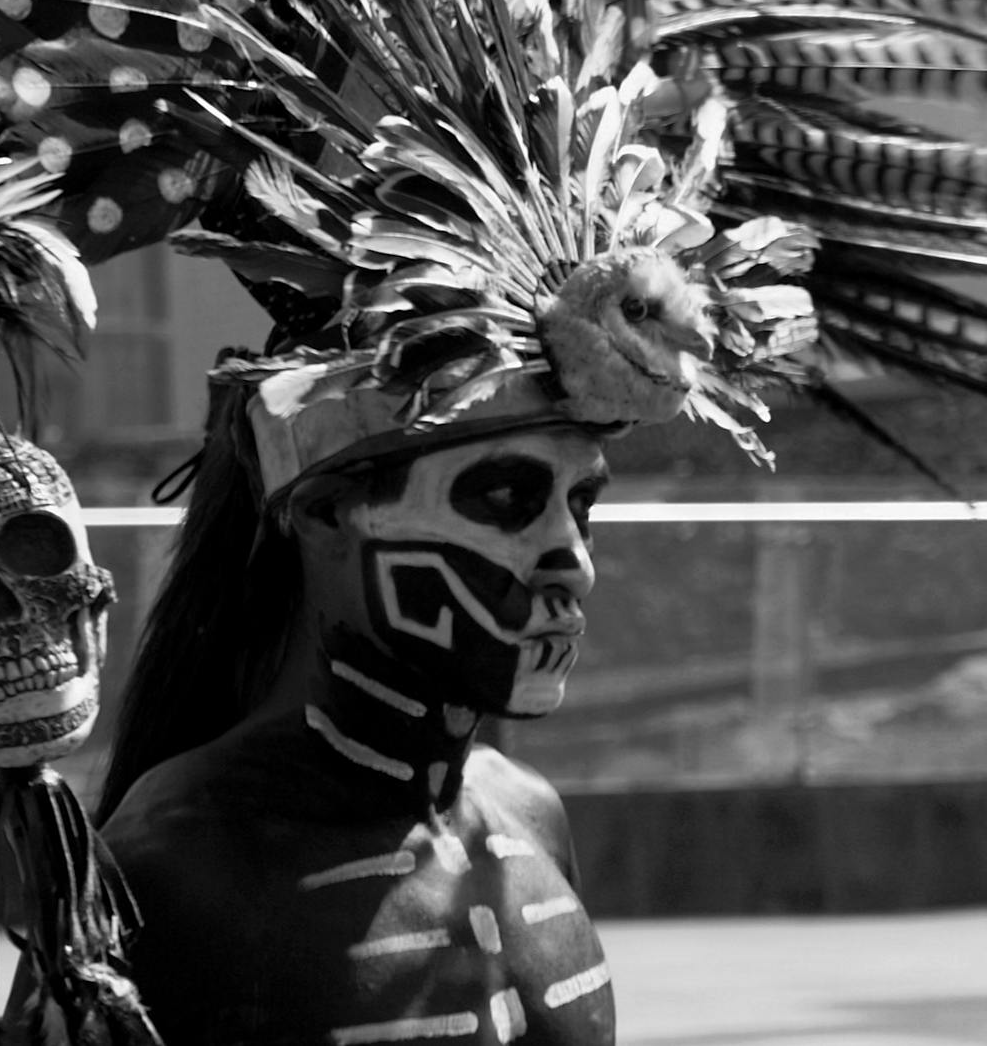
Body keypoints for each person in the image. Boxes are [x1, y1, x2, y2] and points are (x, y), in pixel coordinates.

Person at [96, 383, 617, 1044]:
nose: (574, 566)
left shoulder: (529, 812)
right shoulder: (172, 865)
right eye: (509, 498)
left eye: (583, 503)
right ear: (324, 513)